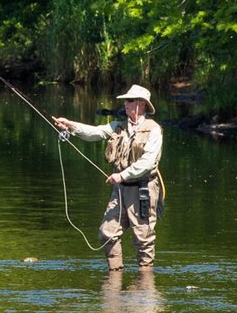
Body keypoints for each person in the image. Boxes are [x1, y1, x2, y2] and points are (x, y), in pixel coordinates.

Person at [52, 85, 165, 270]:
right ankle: (114, 276)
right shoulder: (117, 127)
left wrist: (122, 175)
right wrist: (71, 126)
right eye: (125, 100)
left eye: (129, 100)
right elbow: (94, 132)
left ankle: (145, 281)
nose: (125, 104)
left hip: (143, 190)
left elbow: (147, 162)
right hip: (120, 190)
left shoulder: (154, 130)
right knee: (107, 233)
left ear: (142, 104)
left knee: (143, 239)